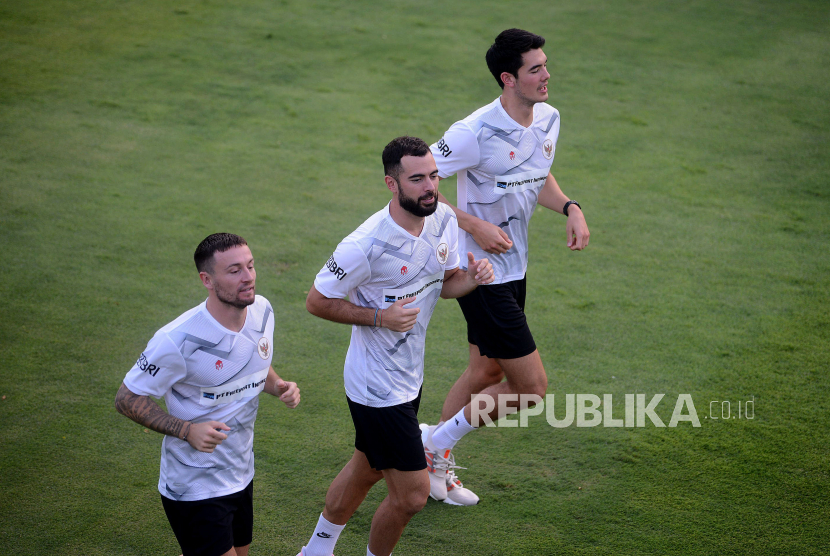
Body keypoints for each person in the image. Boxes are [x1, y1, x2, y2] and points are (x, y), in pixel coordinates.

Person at [297, 136, 494, 556]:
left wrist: (474, 278)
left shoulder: (443, 219)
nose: (430, 187)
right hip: (375, 387)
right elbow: (316, 301)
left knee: (366, 468)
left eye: (434, 176)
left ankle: (315, 550)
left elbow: (446, 285)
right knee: (412, 497)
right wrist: (378, 317)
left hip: (408, 376)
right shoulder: (364, 245)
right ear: (392, 184)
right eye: (418, 179)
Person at [421, 28, 591, 505]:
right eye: (535, 68)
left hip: (515, 268)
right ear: (508, 79)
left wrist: (570, 207)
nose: (546, 74)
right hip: (480, 274)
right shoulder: (473, 132)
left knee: (485, 373)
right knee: (531, 389)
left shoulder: (549, 118)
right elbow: (419, 184)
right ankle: (434, 444)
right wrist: (473, 224)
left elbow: (538, 172)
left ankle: (435, 467)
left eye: (544, 64)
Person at [115, 233, 300, 556]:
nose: (248, 277)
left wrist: (278, 385)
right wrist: (187, 430)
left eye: (251, 266)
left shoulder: (262, 311)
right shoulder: (177, 340)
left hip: (241, 473)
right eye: (234, 271)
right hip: (193, 486)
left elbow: (254, 364)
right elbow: (127, 398)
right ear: (207, 280)